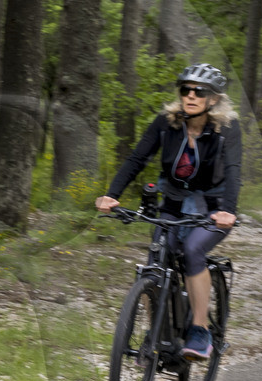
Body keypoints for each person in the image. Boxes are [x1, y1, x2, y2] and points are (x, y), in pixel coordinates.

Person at [95, 63, 242, 361]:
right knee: (155, 265)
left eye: (199, 92)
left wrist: (228, 210)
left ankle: (200, 330)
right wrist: (112, 195)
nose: (191, 96)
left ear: (213, 99)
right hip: (173, 205)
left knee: (192, 250)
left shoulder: (227, 128)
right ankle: (157, 333)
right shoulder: (167, 123)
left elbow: (233, 169)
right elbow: (137, 158)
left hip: (212, 209)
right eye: (186, 90)